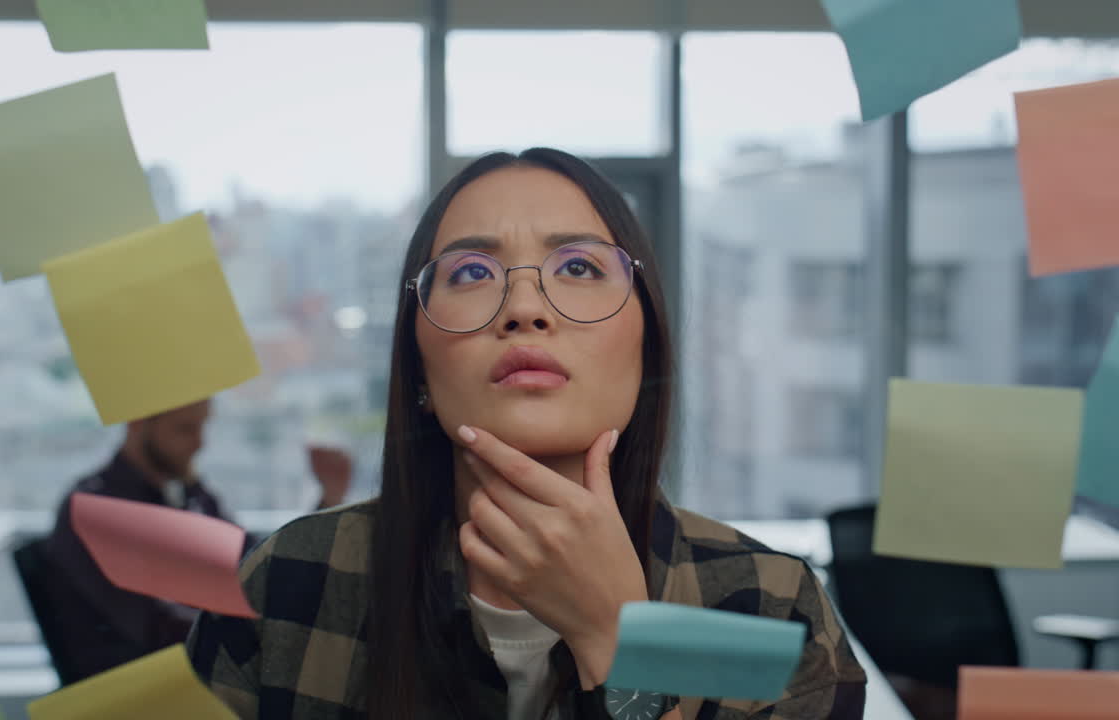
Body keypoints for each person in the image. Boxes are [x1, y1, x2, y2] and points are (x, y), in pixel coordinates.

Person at [187, 149, 867, 719]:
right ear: (418, 368)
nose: (523, 307)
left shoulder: (766, 611)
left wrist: (618, 639)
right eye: (472, 273)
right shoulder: (290, 586)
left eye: (578, 267)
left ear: (646, 349)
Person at [43, 398, 231, 683]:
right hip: (137, 690)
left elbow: (247, 561)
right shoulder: (95, 511)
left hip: (184, 678)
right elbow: (156, 629)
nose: (199, 444)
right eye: (184, 429)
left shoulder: (185, 496)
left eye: (203, 426)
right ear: (137, 423)